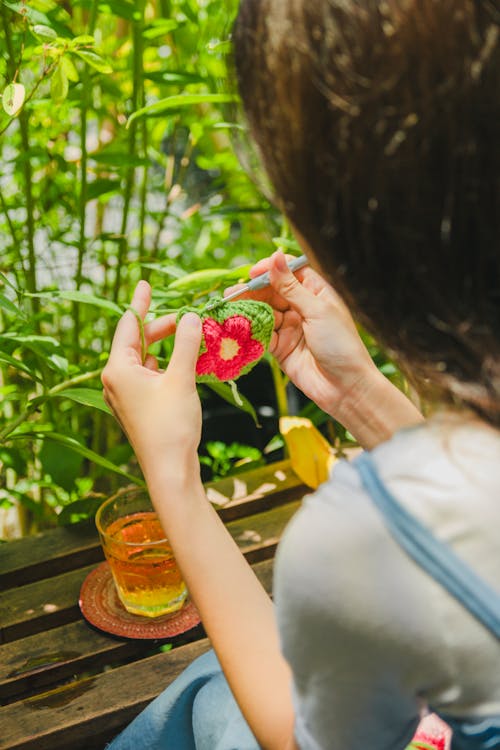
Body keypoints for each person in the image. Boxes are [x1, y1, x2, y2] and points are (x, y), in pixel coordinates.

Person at [102, 1, 500, 748]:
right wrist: (361, 398)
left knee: (204, 703)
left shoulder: (355, 539)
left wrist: (175, 477)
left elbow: (297, 733)